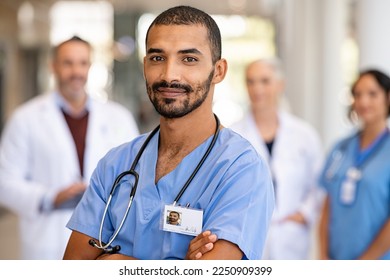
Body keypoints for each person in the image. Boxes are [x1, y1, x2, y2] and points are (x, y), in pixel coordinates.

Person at [63, 5, 274, 260]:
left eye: (189, 59)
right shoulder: (116, 164)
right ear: (144, 66)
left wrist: (112, 260)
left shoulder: (241, 168)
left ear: (218, 71)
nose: (169, 74)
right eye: (157, 58)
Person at [0, 36, 139, 259]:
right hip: (47, 239)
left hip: (106, 240)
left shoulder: (118, 118)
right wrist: (50, 197)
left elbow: (137, 177)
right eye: (68, 63)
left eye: (82, 63)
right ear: (53, 66)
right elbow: (4, 182)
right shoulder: (25, 119)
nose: (76, 71)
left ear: (90, 67)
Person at [230, 58, 324, 259]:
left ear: (280, 85)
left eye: (265, 81)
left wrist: (304, 214)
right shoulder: (232, 137)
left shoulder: (304, 135)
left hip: (292, 238)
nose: (257, 88)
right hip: (248, 238)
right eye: (251, 81)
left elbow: (318, 183)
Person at [318, 69, 390, 260]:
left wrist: (362, 266)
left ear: (388, 98)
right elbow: (327, 206)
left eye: (372, 94)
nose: (363, 102)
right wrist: (323, 257)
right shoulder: (340, 148)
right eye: (358, 95)